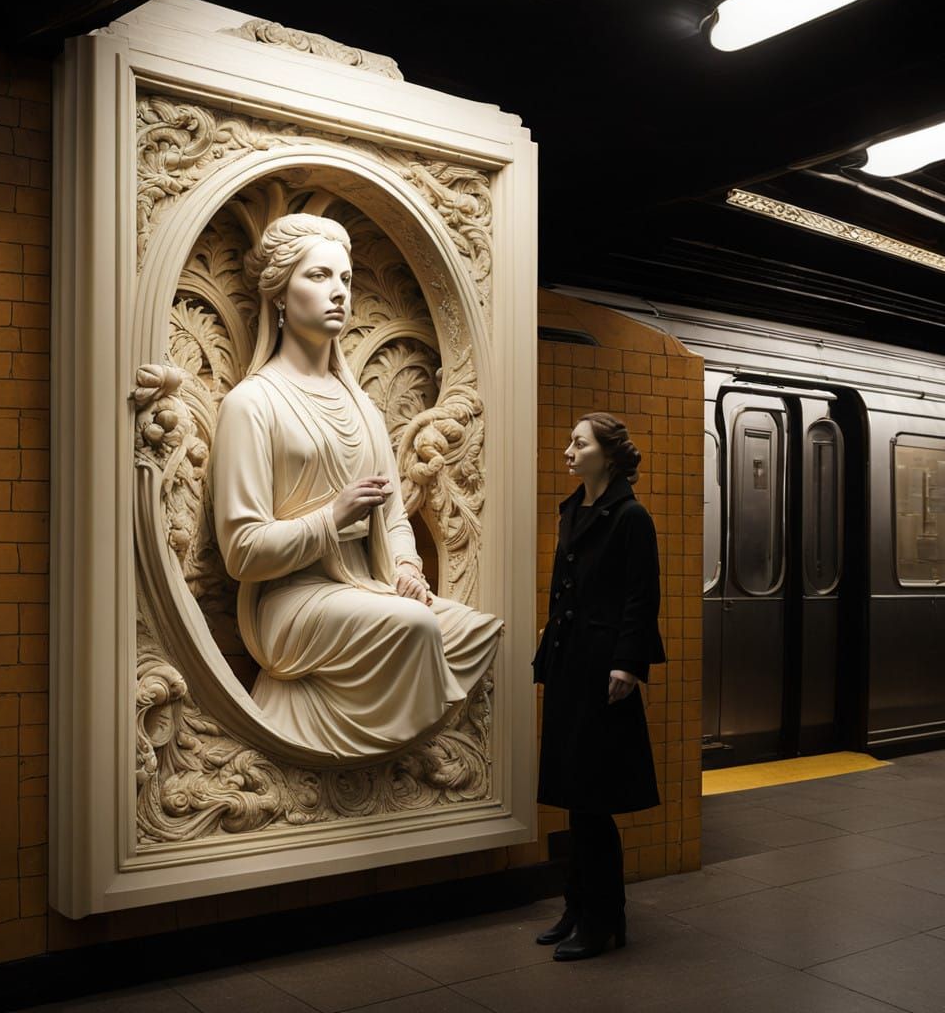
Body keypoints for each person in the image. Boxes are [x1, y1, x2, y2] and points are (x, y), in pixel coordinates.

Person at [210, 213, 503, 761]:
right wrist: (331, 518)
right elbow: (242, 552)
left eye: (345, 279)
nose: (337, 292)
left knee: (472, 629)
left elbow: (391, 517)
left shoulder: (361, 407)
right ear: (278, 292)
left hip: (365, 591)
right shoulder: (252, 404)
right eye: (318, 276)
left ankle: (372, 728)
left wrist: (408, 569)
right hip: (288, 603)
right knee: (417, 630)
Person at [532, 412, 666, 961]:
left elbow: (641, 594)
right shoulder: (575, 508)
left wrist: (628, 665)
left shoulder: (631, 517)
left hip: (602, 669)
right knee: (572, 794)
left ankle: (604, 919)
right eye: (569, 442)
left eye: (578, 443)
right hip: (569, 663)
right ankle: (577, 908)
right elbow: (566, 586)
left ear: (606, 455)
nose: (568, 450)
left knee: (593, 799)